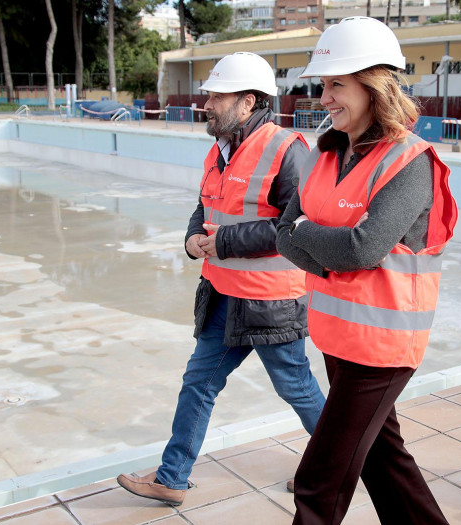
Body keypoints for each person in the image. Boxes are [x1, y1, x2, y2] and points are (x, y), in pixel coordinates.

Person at [116, 52, 326, 507]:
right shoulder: (218, 149)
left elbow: (295, 226)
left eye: (216, 95)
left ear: (248, 101)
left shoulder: (287, 149)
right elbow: (205, 206)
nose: (205, 103)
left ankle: (340, 462)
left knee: (296, 387)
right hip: (224, 294)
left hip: (271, 300)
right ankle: (172, 477)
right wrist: (193, 236)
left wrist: (225, 241)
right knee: (199, 382)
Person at [275, 16, 458, 525]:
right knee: (383, 459)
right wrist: (322, 242)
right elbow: (281, 235)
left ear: (374, 85)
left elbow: (362, 248)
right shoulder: (323, 152)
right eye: (323, 84)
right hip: (339, 336)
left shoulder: (410, 161)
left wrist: (312, 235)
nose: (325, 97)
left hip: (382, 348)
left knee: (321, 477)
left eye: (337, 84)